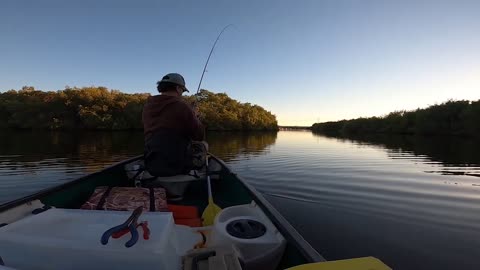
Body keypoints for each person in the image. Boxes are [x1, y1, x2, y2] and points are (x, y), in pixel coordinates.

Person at [142, 73, 207, 176]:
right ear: (177, 88)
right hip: (178, 167)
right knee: (203, 145)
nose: (182, 93)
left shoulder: (147, 106)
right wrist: (195, 117)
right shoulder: (181, 106)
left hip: (151, 165)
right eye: (182, 90)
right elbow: (199, 135)